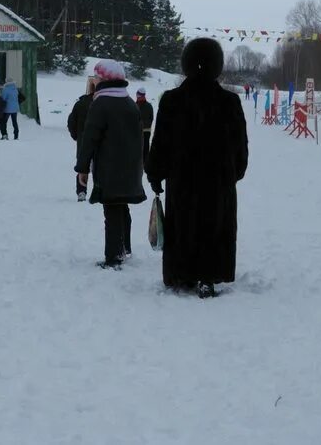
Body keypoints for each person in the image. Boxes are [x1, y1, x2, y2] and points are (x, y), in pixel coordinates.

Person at [147, 38, 249, 298]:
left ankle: (183, 272)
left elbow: (160, 143)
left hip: (182, 179)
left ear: (187, 64)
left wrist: (155, 173)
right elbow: (241, 147)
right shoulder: (229, 102)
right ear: (217, 65)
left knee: (183, 224)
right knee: (215, 225)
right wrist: (234, 173)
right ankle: (209, 275)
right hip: (218, 180)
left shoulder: (171, 100)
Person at [75, 59, 146, 270]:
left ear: (104, 79)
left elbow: (90, 138)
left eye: (96, 76)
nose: (94, 80)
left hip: (110, 167)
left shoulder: (101, 103)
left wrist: (82, 168)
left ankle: (113, 256)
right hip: (131, 167)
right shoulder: (130, 103)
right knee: (122, 208)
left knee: (112, 210)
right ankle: (125, 248)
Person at [66, 77, 95, 201]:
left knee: (83, 165)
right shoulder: (105, 102)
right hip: (102, 141)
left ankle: (81, 191)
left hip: (83, 139)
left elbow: (71, 121)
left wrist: (75, 135)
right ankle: (100, 190)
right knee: (100, 166)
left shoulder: (80, 103)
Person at [135, 87, 154, 163]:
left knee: (145, 146)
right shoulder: (135, 105)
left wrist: (142, 124)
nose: (138, 98)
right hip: (137, 131)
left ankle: (145, 161)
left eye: (140, 96)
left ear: (143, 96)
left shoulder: (149, 106)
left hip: (146, 130)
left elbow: (151, 119)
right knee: (137, 146)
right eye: (138, 96)